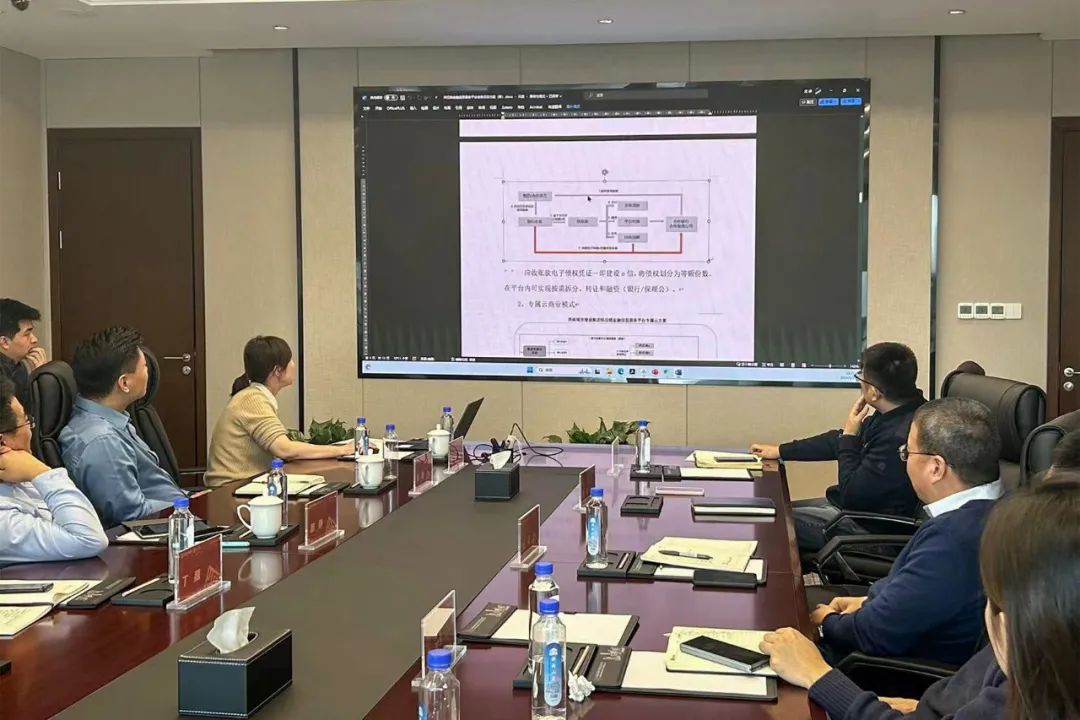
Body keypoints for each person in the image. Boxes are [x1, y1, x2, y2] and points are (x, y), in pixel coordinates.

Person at [759, 475, 1080, 720]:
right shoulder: (1029, 665)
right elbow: (958, 697)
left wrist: (817, 675)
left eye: (993, 599)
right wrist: (919, 708)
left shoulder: (1020, 694)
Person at [808, 397, 1002, 667]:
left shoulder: (953, 540)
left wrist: (826, 622)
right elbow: (923, 598)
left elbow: (875, 633)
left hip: (886, 670)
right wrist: (866, 602)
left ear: (936, 468)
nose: (905, 460)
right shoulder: (1001, 510)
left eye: (907, 452)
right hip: (905, 632)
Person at [751, 342, 926, 553]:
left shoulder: (898, 435)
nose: (859, 382)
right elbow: (838, 441)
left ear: (874, 392)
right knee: (775, 509)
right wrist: (781, 451)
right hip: (857, 513)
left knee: (768, 520)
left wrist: (850, 436)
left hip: (868, 530)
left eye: (861, 377)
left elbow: (850, 495)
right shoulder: (904, 411)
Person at [59, 326, 185, 528]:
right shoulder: (102, 441)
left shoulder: (111, 419)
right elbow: (131, 514)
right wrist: (187, 507)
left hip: (175, 517)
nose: (149, 372)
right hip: (159, 531)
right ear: (124, 382)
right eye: (144, 367)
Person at [204, 336, 345, 487]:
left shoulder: (253, 395)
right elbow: (284, 449)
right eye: (290, 360)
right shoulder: (252, 400)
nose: (293, 364)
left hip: (248, 484)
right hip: (231, 489)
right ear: (277, 370)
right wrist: (342, 450)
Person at [0, 376, 108, 565]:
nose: (30, 430)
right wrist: (41, 473)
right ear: (2, 443)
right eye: (26, 421)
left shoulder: (15, 478)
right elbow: (89, 538)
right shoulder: (4, 520)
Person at [0, 298, 49, 412]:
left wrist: (41, 376)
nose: (34, 339)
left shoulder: (19, 366)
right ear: (5, 342)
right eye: (27, 334)